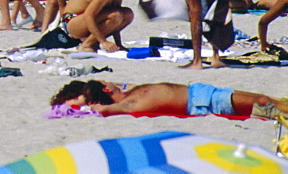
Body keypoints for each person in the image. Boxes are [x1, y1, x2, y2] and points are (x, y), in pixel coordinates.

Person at [51, 79, 288, 120]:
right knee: (264, 102)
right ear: (104, 89)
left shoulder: (129, 92)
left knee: (267, 99)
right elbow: (100, 110)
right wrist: (83, 100)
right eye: (104, 84)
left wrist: (88, 92)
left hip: (202, 93)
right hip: (204, 102)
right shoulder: (125, 104)